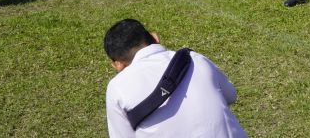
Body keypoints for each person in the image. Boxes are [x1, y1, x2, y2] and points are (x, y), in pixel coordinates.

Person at [104, 19, 248, 138]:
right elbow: (231, 95)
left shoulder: (117, 88)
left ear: (118, 65)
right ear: (155, 38)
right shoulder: (194, 59)